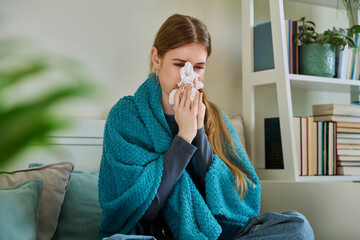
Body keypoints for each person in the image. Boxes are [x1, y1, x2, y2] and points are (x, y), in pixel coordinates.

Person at [98, 13, 314, 240]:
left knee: (298, 226)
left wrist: (199, 132)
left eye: (199, 67)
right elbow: (144, 209)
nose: (188, 78)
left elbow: (241, 204)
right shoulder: (126, 116)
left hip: (217, 234)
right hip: (155, 234)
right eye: (180, 64)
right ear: (156, 58)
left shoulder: (216, 117)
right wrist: (184, 137)